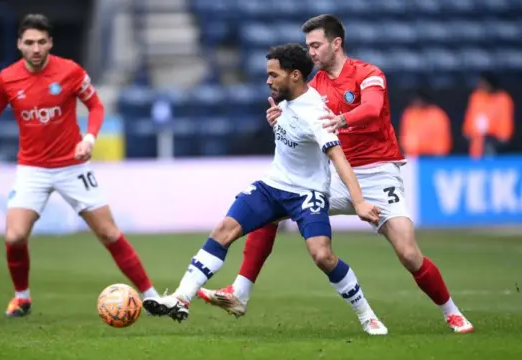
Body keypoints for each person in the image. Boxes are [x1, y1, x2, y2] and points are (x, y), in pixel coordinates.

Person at [197, 14, 474, 334]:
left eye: (316, 45)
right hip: (333, 174)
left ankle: (451, 312)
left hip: (378, 173)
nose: (311, 52)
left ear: (336, 43)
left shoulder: (369, 74)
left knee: (409, 254)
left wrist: (342, 120)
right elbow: (293, 117)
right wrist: (277, 118)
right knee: (272, 207)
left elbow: (371, 109)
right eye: (308, 46)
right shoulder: (313, 86)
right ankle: (240, 291)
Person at [143, 43, 388, 335]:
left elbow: (339, 158)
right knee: (224, 230)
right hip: (272, 186)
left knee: (322, 256)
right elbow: (291, 129)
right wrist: (278, 120)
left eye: (274, 75)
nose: (268, 80)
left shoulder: (316, 114)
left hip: (307, 193)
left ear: (295, 75)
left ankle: (367, 315)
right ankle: (180, 298)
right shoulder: (284, 102)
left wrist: (358, 202)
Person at [0, 14, 159, 317]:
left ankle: (152, 297)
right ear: (19, 44)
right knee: (15, 236)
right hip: (32, 169)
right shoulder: (7, 79)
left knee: (110, 234)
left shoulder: (70, 71)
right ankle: (22, 297)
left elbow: (96, 106)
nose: (35, 48)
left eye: (41, 42)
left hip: (73, 167)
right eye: (29, 42)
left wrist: (89, 138)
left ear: (50, 43)